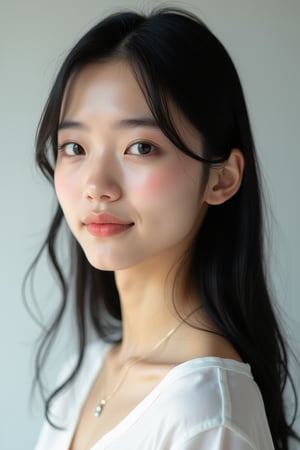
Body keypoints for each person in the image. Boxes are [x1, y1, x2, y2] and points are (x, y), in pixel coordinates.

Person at [29, 7, 299, 450]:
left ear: (221, 178)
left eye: (140, 147)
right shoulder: (86, 370)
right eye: (74, 146)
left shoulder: (207, 415)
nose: (97, 186)